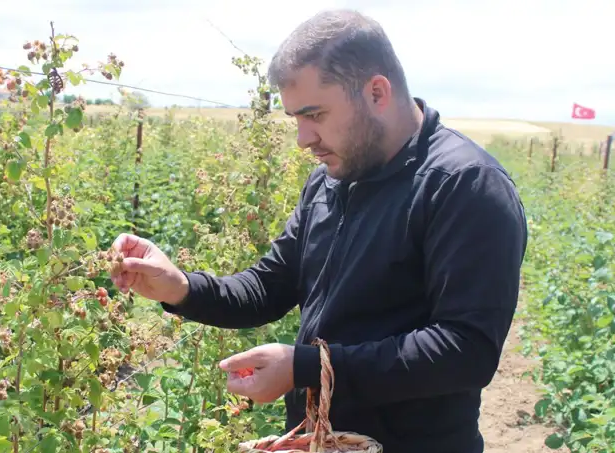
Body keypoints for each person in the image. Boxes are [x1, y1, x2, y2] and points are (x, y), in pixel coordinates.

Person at [108, 8, 528, 453]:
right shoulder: (332, 179)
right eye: (295, 119)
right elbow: (270, 286)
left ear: (377, 92)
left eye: (315, 115)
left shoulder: (463, 186)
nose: (303, 138)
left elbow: (465, 352)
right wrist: (179, 287)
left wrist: (307, 367)